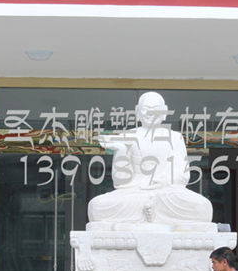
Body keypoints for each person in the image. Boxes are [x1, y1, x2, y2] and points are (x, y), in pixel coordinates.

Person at [88, 91, 212, 224]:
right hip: (134, 193)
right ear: (138, 111)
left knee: (202, 207)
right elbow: (121, 182)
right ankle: (150, 212)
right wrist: (121, 150)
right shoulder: (128, 136)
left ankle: (153, 211)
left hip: (166, 193)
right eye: (146, 109)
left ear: (164, 112)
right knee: (96, 206)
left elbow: (182, 175)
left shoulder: (175, 138)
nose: (150, 113)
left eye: (155, 109)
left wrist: (163, 180)